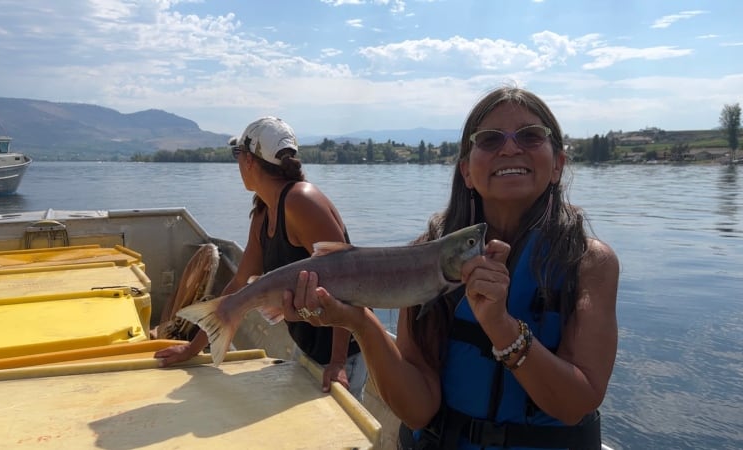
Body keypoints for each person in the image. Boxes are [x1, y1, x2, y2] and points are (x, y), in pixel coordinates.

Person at [283, 87, 619, 449]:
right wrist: (359, 322)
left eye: (530, 136)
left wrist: (499, 326)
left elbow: (575, 405)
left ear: (558, 164)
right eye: (489, 139)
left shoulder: (589, 263)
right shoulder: (425, 258)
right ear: (466, 172)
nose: (509, 148)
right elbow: (418, 411)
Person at [154, 116, 368, 400]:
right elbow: (240, 284)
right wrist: (192, 349)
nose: (237, 164)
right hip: (308, 345)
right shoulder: (264, 212)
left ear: (250, 160)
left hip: (343, 354)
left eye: (237, 154)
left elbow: (348, 279)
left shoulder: (301, 201)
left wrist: (338, 362)